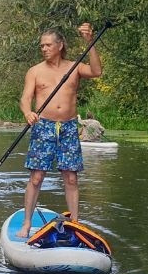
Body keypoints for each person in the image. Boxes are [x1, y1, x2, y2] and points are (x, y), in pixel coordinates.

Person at [17, 23, 102, 238]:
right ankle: (26, 223)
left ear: (60, 45)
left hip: (68, 127)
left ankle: (75, 224)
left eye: (47, 45)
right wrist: (28, 112)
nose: (43, 49)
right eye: (41, 46)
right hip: (43, 126)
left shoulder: (74, 67)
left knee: (71, 178)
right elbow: (26, 98)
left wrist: (89, 41)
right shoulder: (35, 71)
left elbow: (96, 71)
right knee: (36, 177)